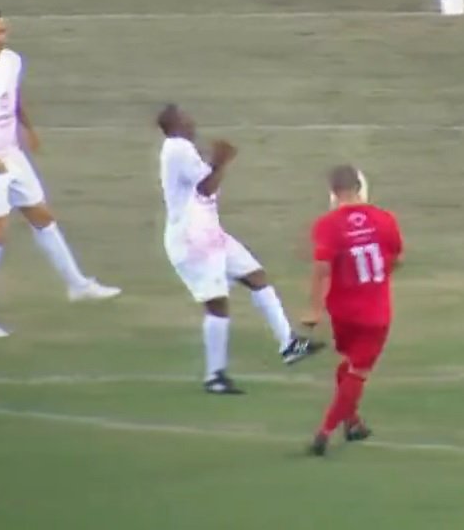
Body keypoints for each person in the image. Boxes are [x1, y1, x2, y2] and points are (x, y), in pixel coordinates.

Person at [0, 7, 120, 340]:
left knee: (42, 216)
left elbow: (14, 97)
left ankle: (77, 285)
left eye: (2, 31)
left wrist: (28, 128)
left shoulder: (12, 60)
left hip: (12, 154)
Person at [157, 105, 323, 395]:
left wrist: (217, 165)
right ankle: (214, 376)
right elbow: (205, 189)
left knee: (256, 276)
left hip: (208, 233)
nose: (191, 120)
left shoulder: (182, 150)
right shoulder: (178, 148)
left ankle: (289, 344)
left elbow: (205, 188)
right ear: (174, 124)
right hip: (192, 239)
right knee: (217, 304)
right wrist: (220, 163)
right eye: (185, 117)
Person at [303, 164, 404, 456]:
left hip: (342, 312)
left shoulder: (326, 225)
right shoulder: (385, 220)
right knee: (358, 371)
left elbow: (322, 268)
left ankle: (353, 423)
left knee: (347, 366)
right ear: (360, 187)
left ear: (333, 192)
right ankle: (325, 431)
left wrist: (313, 310)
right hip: (375, 313)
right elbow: (395, 259)